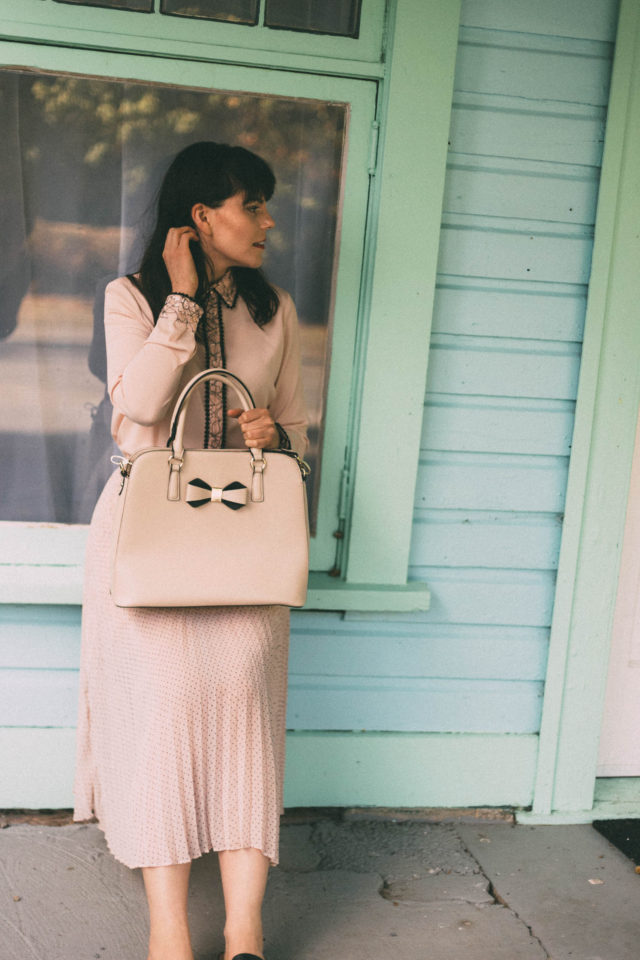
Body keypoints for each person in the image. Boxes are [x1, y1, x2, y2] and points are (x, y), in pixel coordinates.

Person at [72, 141, 308, 960]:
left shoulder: (273, 309)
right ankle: (168, 929)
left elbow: (297, 433)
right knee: (164, 721)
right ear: (204, 215)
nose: (269, 221)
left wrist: (274, 437)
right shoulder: (130, 295)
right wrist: (179, 302)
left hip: (245, 536)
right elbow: (135, 402)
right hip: (148, 533)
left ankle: (245, 930)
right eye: (254, 204)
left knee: (246, 716)